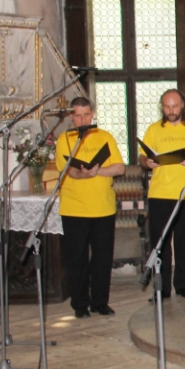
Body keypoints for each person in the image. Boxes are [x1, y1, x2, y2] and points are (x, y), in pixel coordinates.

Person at [55, 96, 125, 318]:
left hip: (103, 207)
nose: (83, 119)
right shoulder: (65, 139)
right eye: (78, 115)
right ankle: (80, 304)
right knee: (77, 259)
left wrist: (97, 171)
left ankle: (100, 302)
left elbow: (119, 168)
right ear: (71, 117)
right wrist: (83, 174)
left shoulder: (105, 137)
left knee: (102, 258)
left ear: (92, 114)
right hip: (74, 208)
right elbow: (69, 171)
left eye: (86, 114)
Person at [139, 89, 185, 301]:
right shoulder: (154, 129)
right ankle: (161, 288)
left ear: (183, 105)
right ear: (162, 107)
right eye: (167, 106)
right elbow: (142, 158)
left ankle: (182, 285)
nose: (171, 110)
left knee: (182, 241)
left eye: (175, 106)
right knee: (160, 243)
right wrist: (147, 162)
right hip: (159, 193)